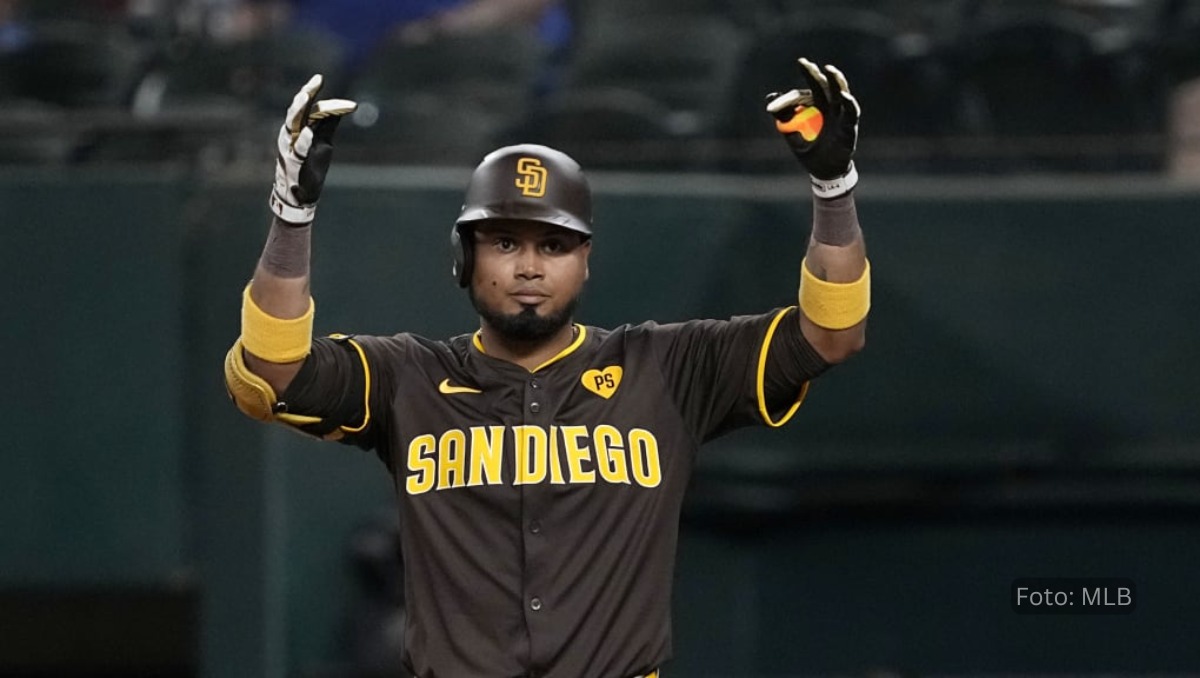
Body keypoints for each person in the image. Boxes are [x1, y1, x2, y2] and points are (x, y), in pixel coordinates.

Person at [223, 57, 870, 677]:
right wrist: (291, 218)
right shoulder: (408, 377)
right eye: (505, 242)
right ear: (464, 259)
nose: (529, 266)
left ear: (585, 263)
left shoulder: (667, 366)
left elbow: (832, 332)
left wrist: (834, 192)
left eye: (554, 245)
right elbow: (273, 369)